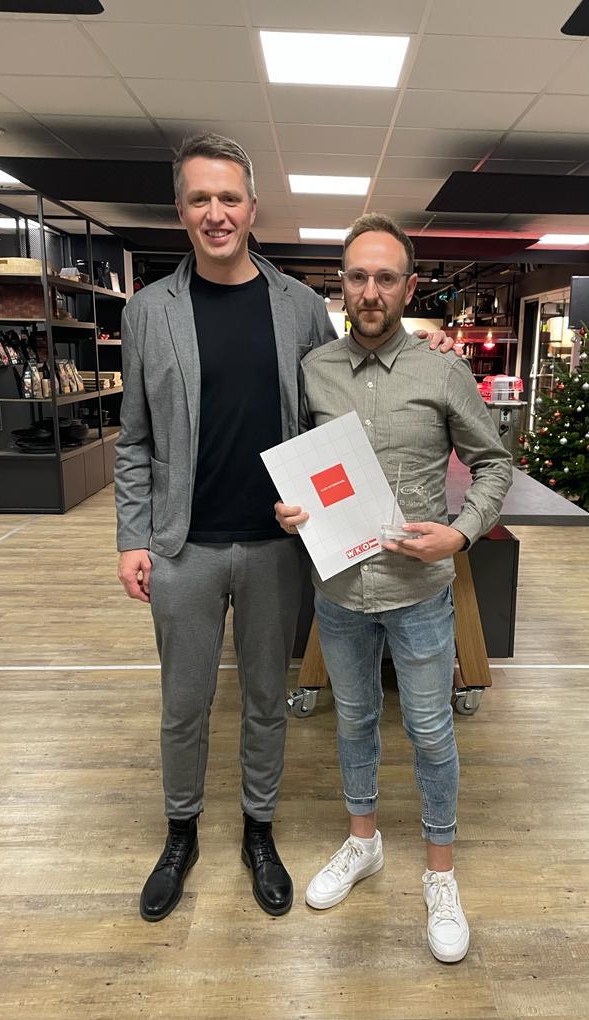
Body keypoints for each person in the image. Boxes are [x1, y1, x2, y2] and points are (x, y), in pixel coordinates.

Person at [115, 134, 454, 923]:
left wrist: (424, 348)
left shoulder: (299, 306)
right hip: (181, 547)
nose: (216, 212)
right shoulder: (147, 311)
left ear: (252, 208)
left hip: (280, 547)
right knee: (183, 704)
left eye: (229, 198)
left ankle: (259, 831)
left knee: (268, 699)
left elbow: (344, 385)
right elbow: (134, 439)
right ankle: (180, 832)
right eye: (200, 199)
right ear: (181, 210)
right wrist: (132, 537)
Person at [275, 213, 512, 961]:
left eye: (385, 277)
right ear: (341, 286)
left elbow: (494, 464)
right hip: (342, 592)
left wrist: (461, 533)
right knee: (352, 724)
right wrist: (288, 508)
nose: (370, 291)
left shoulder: (442, 371)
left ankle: (440, 873)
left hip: (420, 593)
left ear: (409, 288)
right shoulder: (313, 370)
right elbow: (294, 466)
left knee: (431, 732)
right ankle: (364, 842)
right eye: (357, 276)